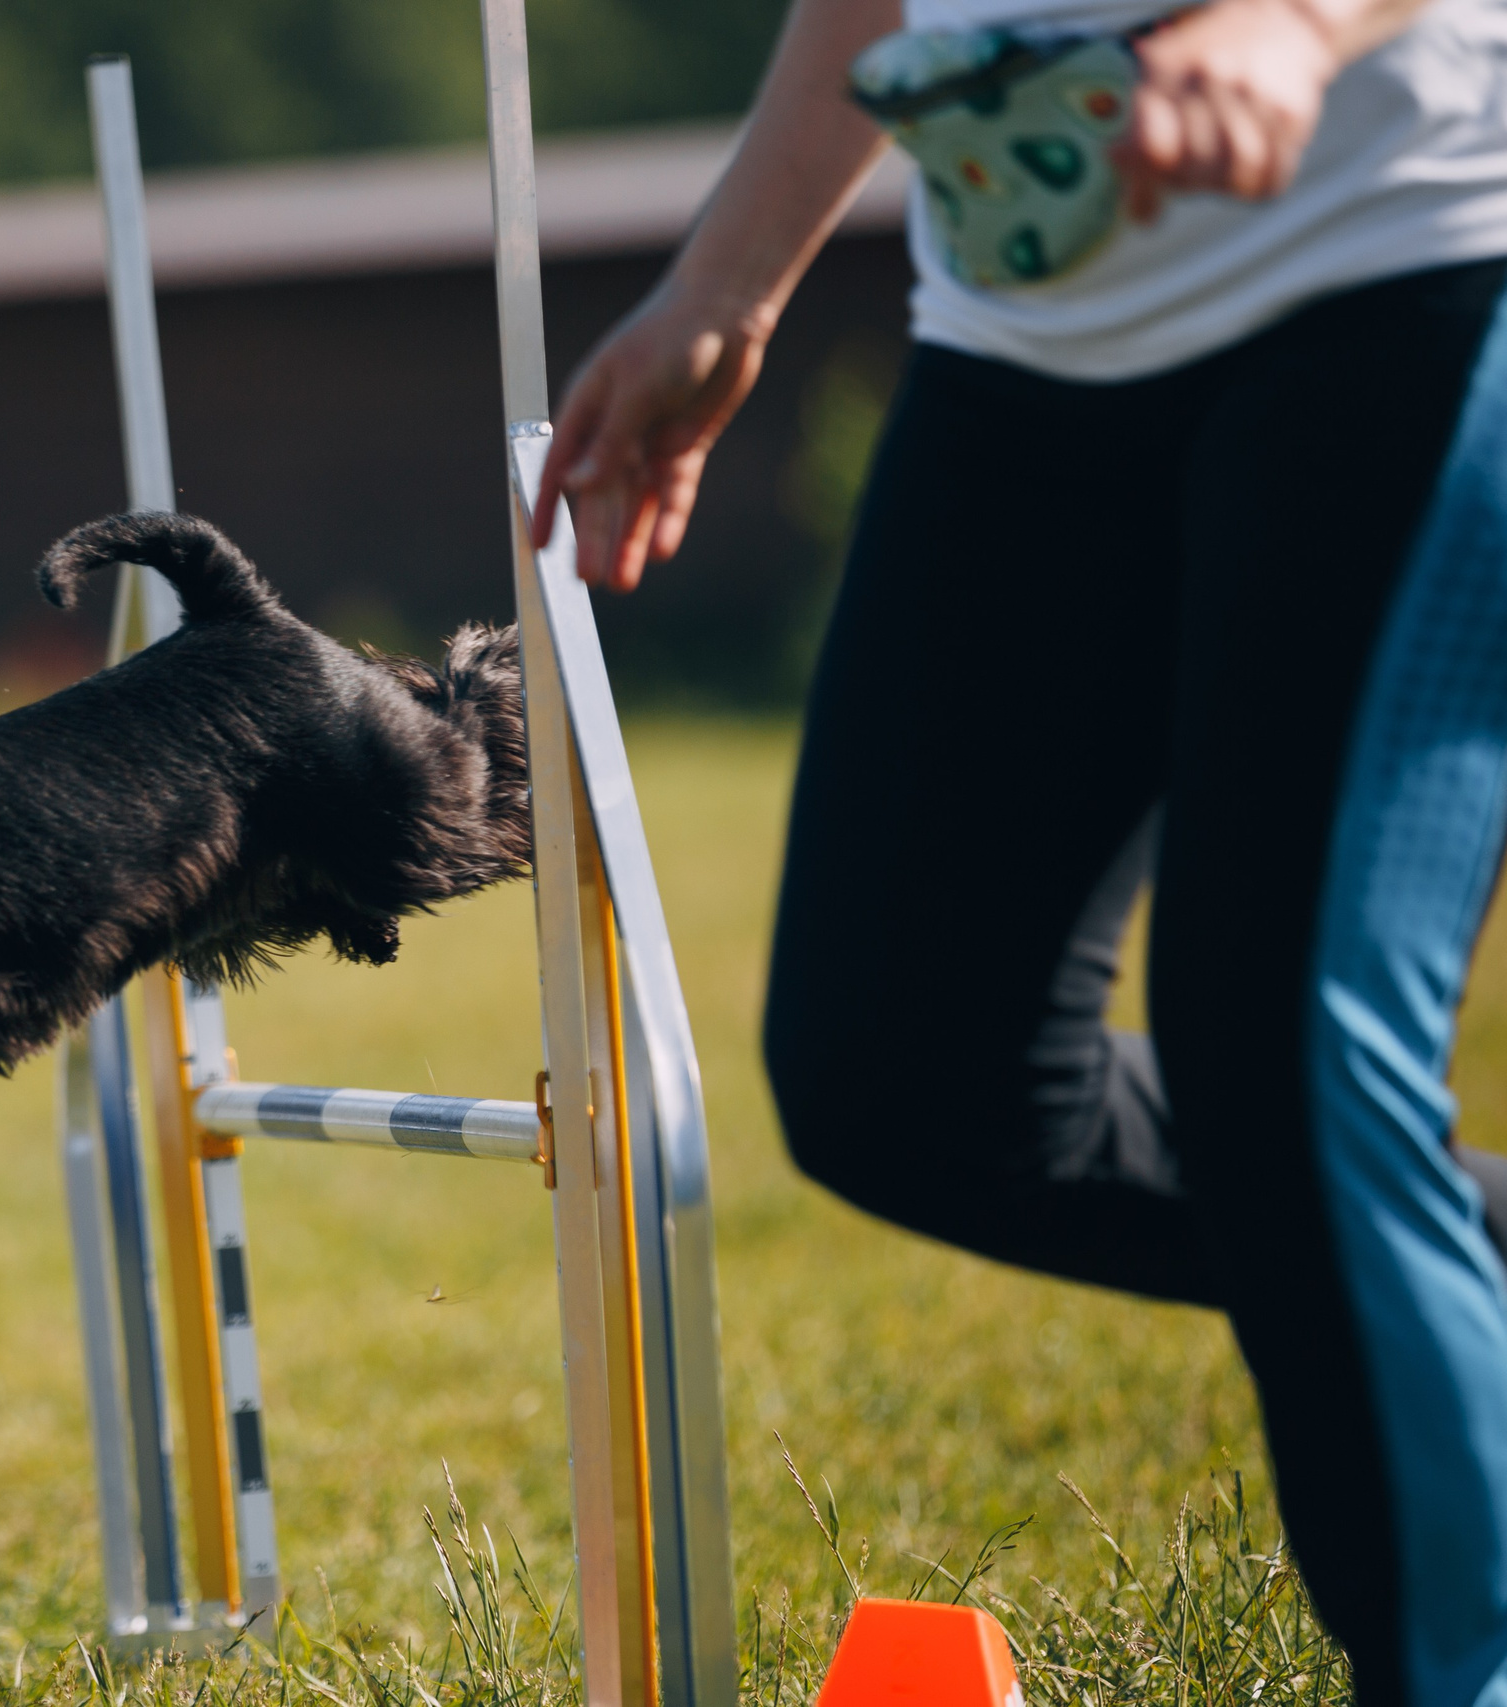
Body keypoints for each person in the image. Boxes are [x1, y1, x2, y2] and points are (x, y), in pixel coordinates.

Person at [532, 0, 1507, 1696]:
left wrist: (1298, 21)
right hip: (1033, 333)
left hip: (1403, 257)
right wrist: (725, 286)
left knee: (1282, 1056)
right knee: (900, 1078)